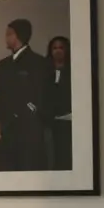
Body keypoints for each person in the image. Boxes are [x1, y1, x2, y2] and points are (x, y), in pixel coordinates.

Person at [0, 18, 52, 171]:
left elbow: (42, 96)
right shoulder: (3, 64)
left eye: (7, 34)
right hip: (6, 130)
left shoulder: (39, 63)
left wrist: (32, 114)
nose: (6, 38)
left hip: (30, 131)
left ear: (15, 35)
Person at [46, 35, 73, 170]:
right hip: (49, 121)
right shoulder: (44, 71)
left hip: (68, 121)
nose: (58, 51)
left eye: (61, 48)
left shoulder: (73, 71)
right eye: (54, 48)